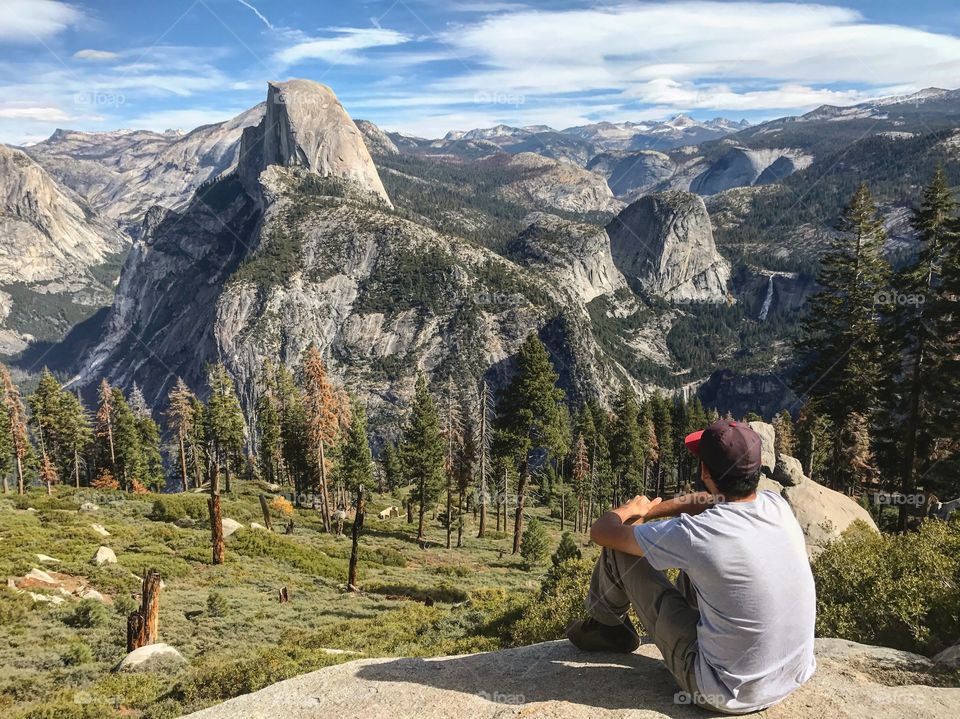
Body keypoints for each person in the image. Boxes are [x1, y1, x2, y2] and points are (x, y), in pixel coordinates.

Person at [566, 419, 816, 714]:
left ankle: (608, 629)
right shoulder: (776, 505)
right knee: (701, 568)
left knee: (618, 553)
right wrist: (655, 510)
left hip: (722, 691)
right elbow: (712, 500)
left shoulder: (697, 534)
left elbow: (602, 533)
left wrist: (630, 510)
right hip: (790, 676)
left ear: (705, 471)